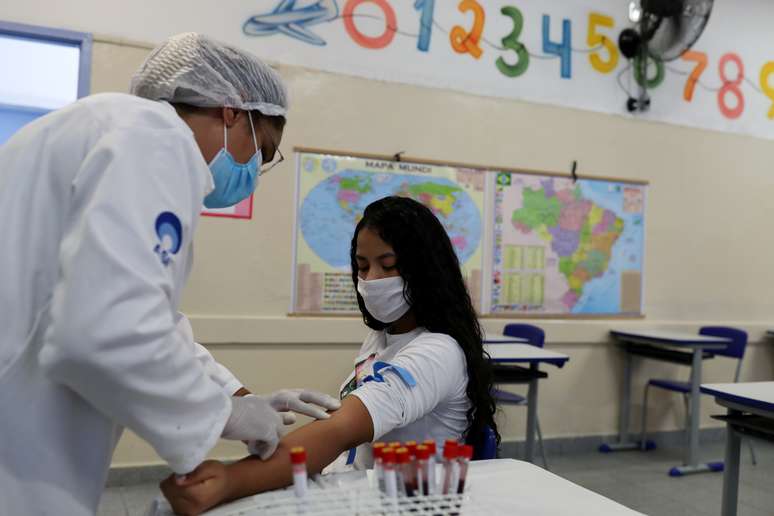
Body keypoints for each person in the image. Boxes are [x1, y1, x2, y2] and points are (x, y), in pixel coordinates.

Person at [0, 32, 339, 516]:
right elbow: (108, 331)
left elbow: (146, 319)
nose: (252, 172)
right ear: (233, 112)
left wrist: (239, 396)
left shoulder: (98, 128)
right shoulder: (156, 140)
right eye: (261, 151)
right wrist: (222, 413)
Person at [160, 196, 500, 515]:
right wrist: (249, 411)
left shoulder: (436, 352)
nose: (371, 280)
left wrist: (230, 480)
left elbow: (341, 429)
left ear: (426, 270)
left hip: (401, 502)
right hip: (358, 486)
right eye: (362, 266)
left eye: (388, 265)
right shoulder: (381, 337)